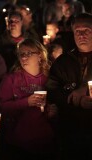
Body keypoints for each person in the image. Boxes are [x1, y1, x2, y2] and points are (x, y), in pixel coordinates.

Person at [0, 38, 57, 160]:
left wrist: (53, 111)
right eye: (21, 54)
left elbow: (58, 103)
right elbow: (1, 107)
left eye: (28, 53)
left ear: (40, 55)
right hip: (18, 143)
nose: (23, 58)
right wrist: (26, 102)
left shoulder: (50, 79)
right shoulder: (11, 79)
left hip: (45, 142)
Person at [46, 13, 92, 160]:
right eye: (78, 31)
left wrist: (84, 88)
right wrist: (73, 99)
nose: (82, 34)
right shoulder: (63, 61)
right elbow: (52, 89)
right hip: (70, 131)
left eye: (87, 30)